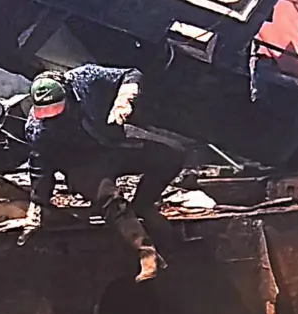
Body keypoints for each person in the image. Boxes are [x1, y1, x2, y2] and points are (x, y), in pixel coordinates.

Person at [23, 64, 185, 281]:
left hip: (111, 144)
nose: (51, 118)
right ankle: (146, 253)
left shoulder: (85, 78)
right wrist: (36, 209)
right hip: (81, 164)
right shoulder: (38, 128)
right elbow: (40, 167)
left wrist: (124, 98)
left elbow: (132, 73)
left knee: (172, 154)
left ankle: (143, 205)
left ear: (69, 96)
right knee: (108, 196)